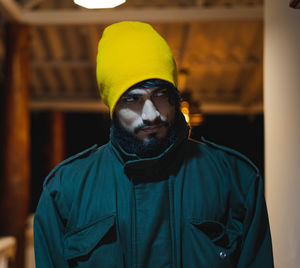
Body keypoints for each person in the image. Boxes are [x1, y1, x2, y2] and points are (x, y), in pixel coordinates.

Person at [34, 21, 273, 267]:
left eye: (161, 95)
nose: (151, 114)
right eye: (132, 99)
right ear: (113, 106)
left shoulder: (235, 178)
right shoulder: (65, 190)